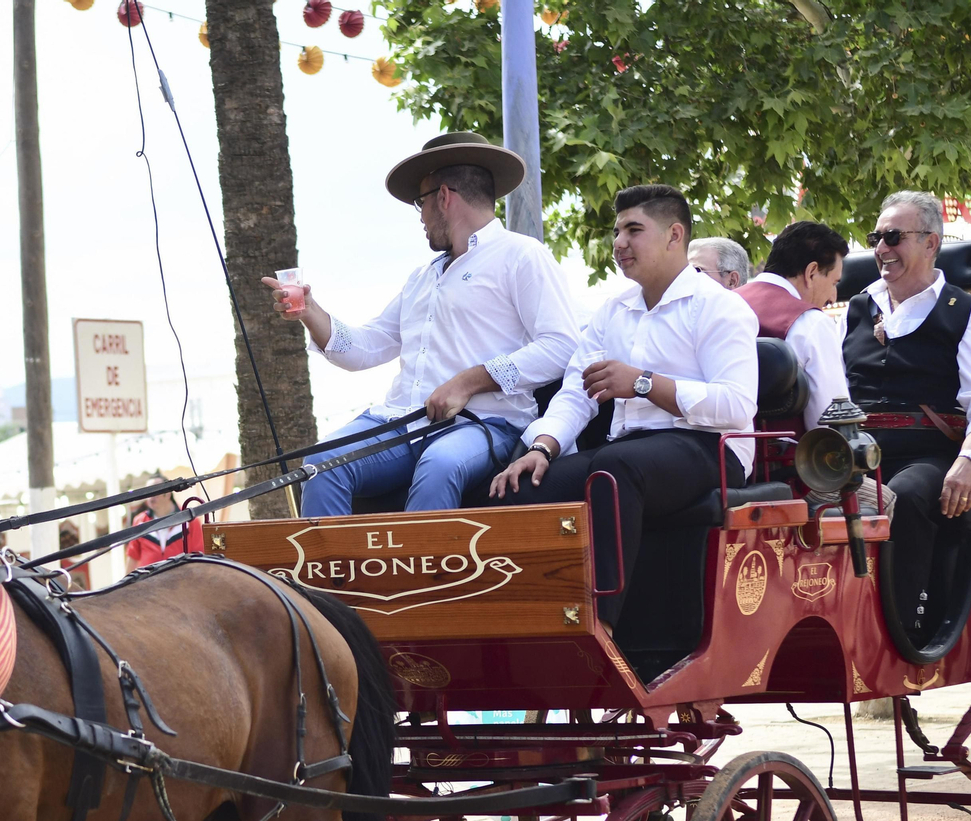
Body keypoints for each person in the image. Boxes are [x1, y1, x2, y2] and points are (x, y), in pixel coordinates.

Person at [264, 131, 578, 517]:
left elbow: (561, 345)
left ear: (443, 197)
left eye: (421, 203)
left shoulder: (522, 255)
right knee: (320, 464)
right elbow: (365, 347)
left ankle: (423, 561)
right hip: (401, 423)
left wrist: (468, 381)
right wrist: (310, 311)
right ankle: (325, 562)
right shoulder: (422, 277)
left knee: (440, 465)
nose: (421, 218)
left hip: (484, 423)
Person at [490, 184, 759, 626]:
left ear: (675, 235)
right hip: (632, 450)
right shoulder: (612, 310)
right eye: (616, 231)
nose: (619, 243)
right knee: (514, 488)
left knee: (615, 469)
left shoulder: (721, 307)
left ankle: (601, 629)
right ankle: (522, 626)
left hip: (712, 446)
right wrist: (542, 447)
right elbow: (576, 393)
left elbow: (735, 405)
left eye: (633, 230)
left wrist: (643, 383)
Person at [841, 190, 971, 635]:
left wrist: (970, 459)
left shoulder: (969, 313)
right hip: (855, 453)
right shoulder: (856, 309)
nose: (881, 248)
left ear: (931, 242)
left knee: (907, 495)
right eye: (876, 238)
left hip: (931, 455)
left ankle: (906, 629)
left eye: (893, 237)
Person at [735, 220, 852, 429]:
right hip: (788, 450)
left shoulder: (722, 305)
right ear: (811, 272)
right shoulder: (812, 323)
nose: (833, 297)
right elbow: (831, 424)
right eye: (834, 283)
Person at [125, 475, 204, 571]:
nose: (150, 497)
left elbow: (199, 556)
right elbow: (132, 556)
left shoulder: (190, 521)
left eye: (154, 492)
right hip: (149, 579)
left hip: (181, 578)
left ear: (168, 494)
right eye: (147, 493)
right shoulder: (139, 521)